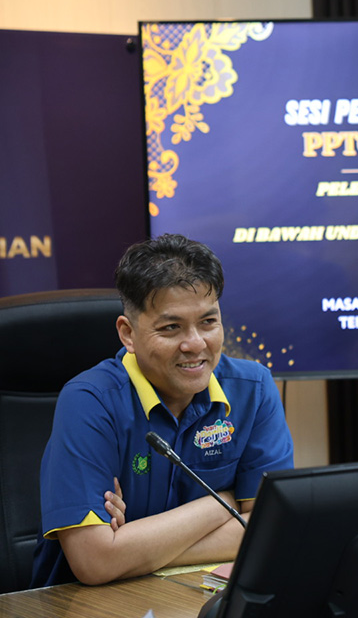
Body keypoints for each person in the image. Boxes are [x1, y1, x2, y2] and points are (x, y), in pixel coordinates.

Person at [31, 234, 294, 587]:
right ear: (128, 334)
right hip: (86, 604)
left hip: (191, 594)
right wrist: (221, 504)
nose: (195, 344)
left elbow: (270, 531)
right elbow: (95, 561)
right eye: (171, 328)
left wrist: (131, 548)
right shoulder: (89, 400)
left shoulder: (254, 388)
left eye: (208, 322)